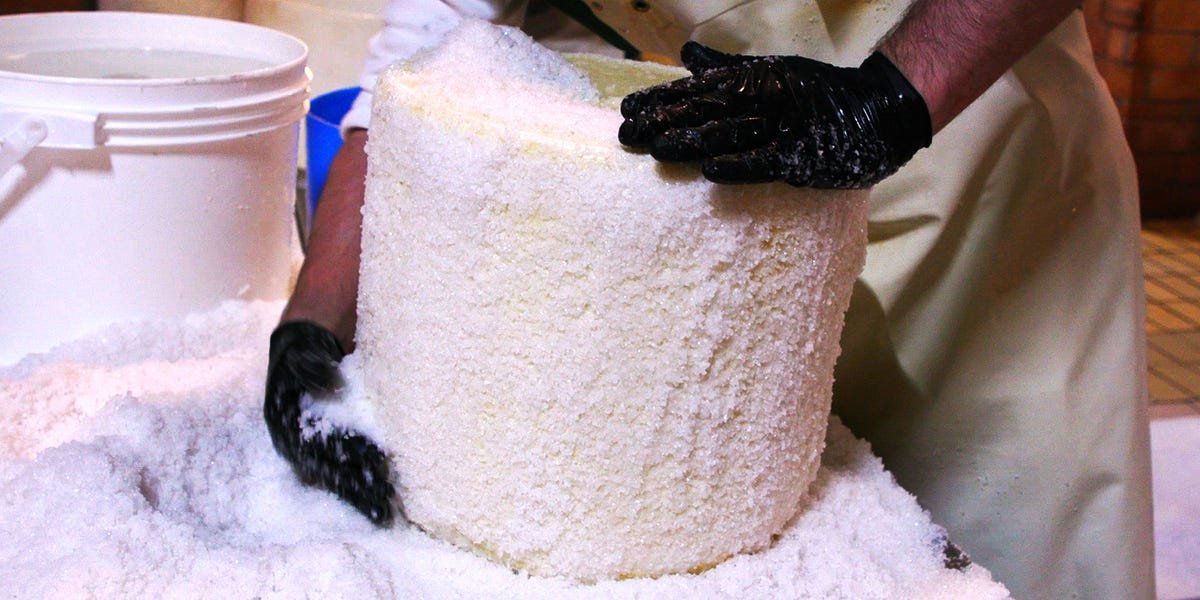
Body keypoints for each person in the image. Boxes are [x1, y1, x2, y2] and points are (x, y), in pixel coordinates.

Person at [263, 0, 1155, 598]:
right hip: (721, 226)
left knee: (999, 556)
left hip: (976, 174)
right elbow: (432, 48)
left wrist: (889, 98)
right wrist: (312, 319)